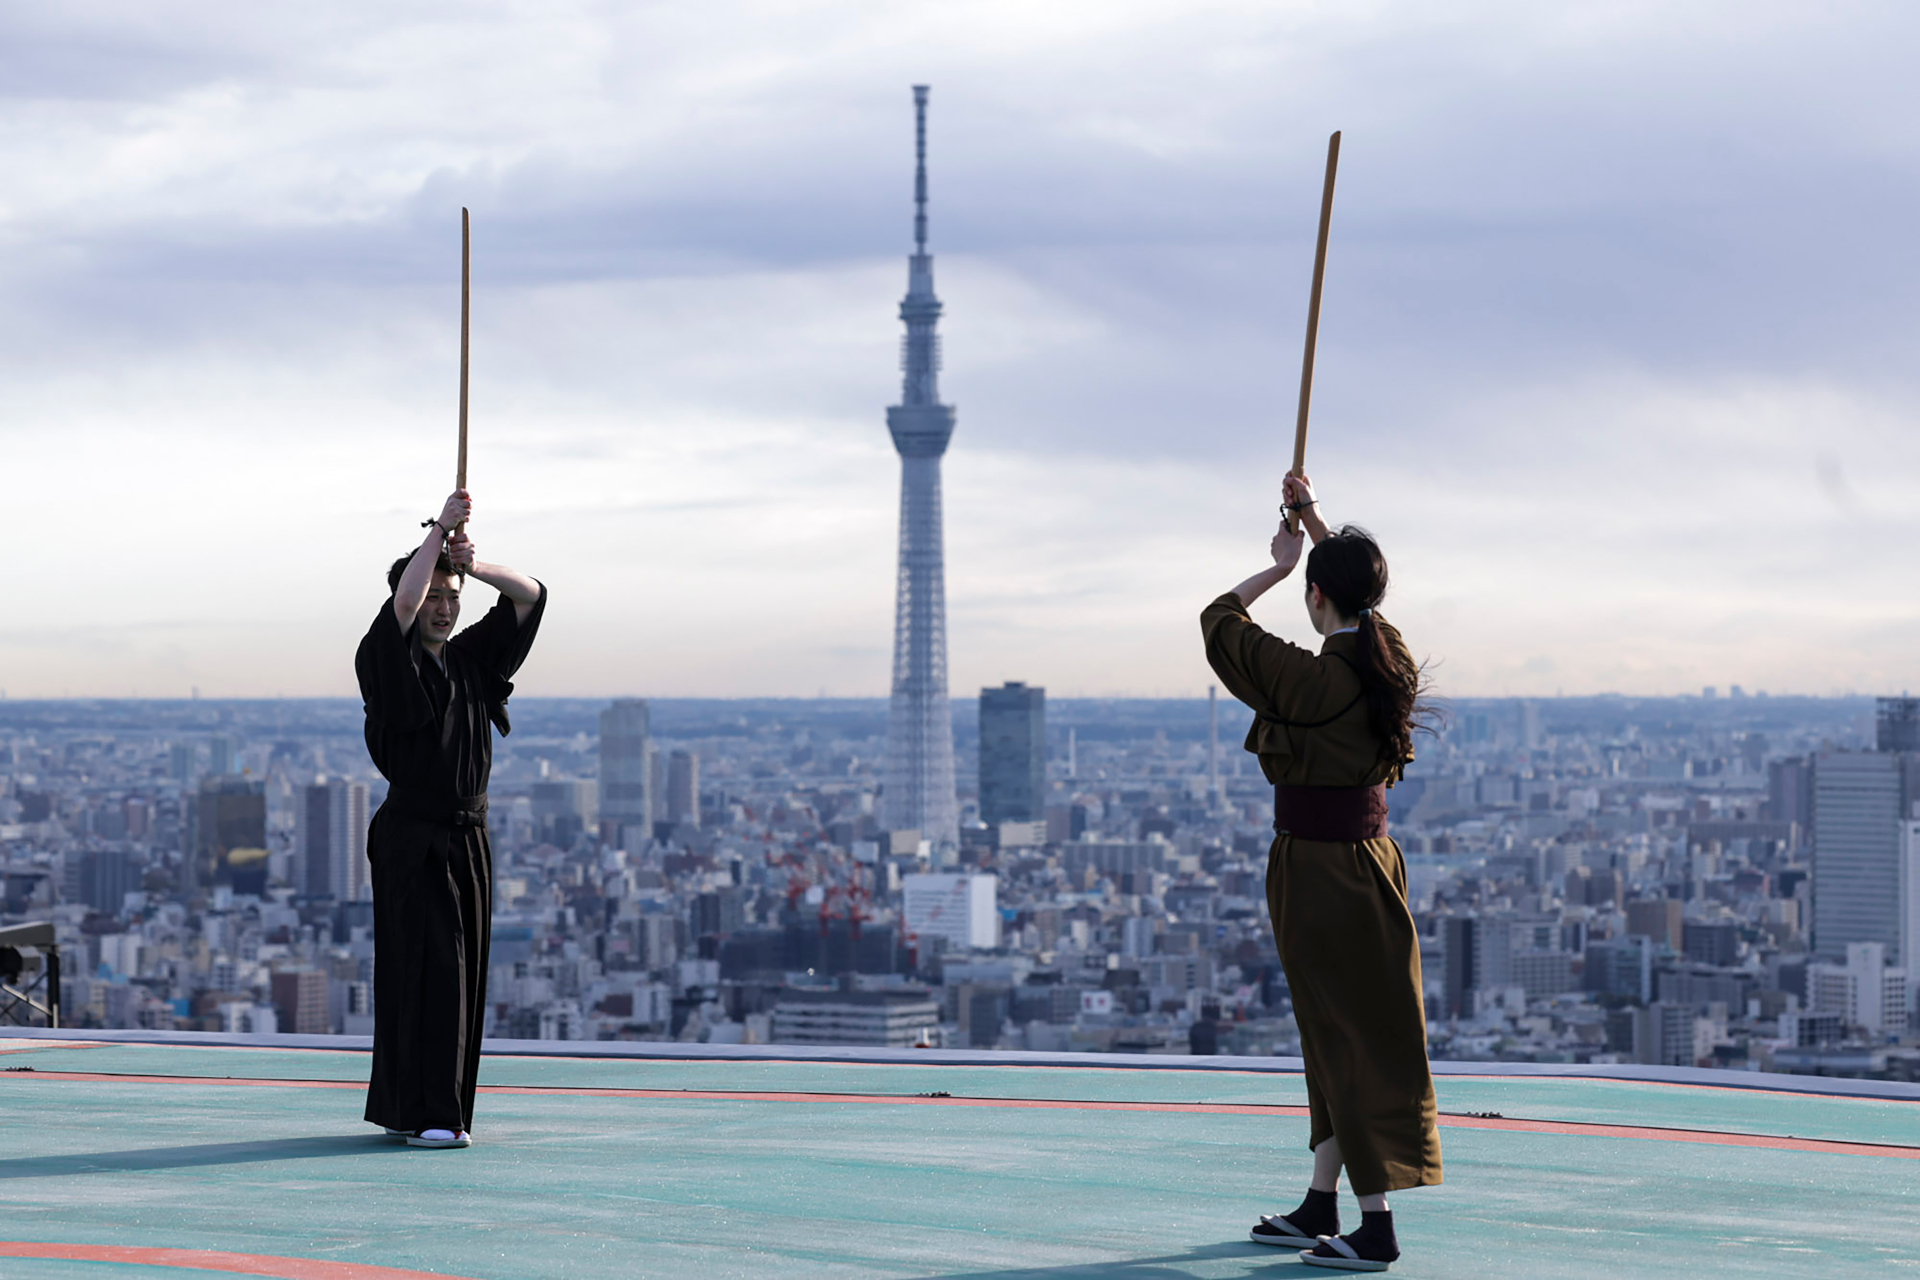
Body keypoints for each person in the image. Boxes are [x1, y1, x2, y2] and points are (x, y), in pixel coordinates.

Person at [1200, 473, 1441, 1272]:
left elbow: (1218, 619)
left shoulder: (1306, 680)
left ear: (1314, 598)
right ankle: (1321, 1202)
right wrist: (1314, 523)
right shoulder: (1386, 659)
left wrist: (1275, 561)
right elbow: (1363, 608)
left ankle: (1375, 1228)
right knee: (1334, 1029)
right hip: (1370, 862)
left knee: (1345, 1036)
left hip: (1314, 872)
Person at [356, 488, 545, 1148]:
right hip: (414, 836)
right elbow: (401, 606)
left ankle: (438, 1111)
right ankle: (429, 1113)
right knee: (427, 967)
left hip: (469, 836)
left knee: (462, 972)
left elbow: (529, 597)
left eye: (451, 598)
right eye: (434, 596)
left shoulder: (470, 661)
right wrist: (439, 528)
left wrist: (473, 561)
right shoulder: (389, 655)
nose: (441, 608)